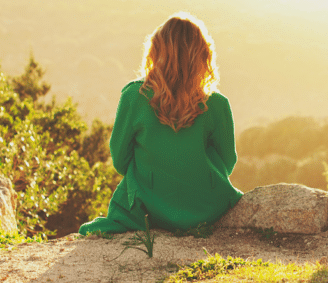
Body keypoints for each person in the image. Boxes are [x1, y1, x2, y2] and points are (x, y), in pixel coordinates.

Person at [79, 13, 243, 235]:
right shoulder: (217, 104)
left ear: (155, 52)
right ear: (203, 55)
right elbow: (228, 162)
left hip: (147, 209)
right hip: (205, 209)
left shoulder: (134, 96)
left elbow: (120, 160)